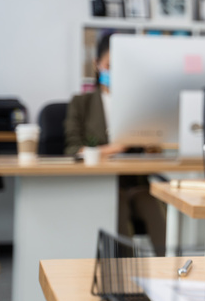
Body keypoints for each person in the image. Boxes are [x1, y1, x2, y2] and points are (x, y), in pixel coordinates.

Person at [64, 33, 166, 255]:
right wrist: (117, 147)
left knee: (155, 207)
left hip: (137, 183)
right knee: (115, 208)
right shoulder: (81, 103)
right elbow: (73, 150)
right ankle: (125, 279)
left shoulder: (141, 104)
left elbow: (154, 152)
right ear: (97, 64)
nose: (115, 71)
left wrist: (152, 144)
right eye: (109, 65)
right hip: (101, 185)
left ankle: (169, 273)